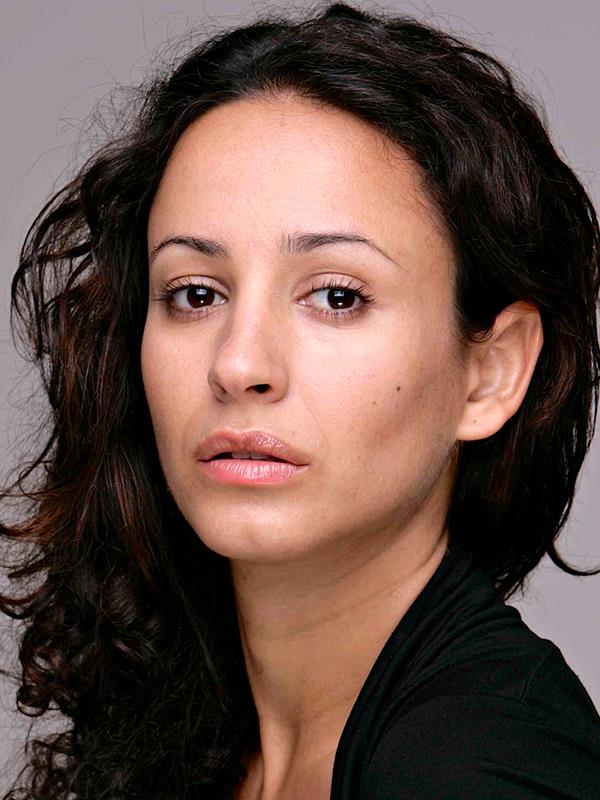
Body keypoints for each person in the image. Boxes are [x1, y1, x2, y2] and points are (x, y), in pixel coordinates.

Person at [1, 2, 599, 798]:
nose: (239, 364)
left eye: (337, 296)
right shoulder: (179, 727)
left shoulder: (483, 769)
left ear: (490, 373)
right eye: (195, 293)